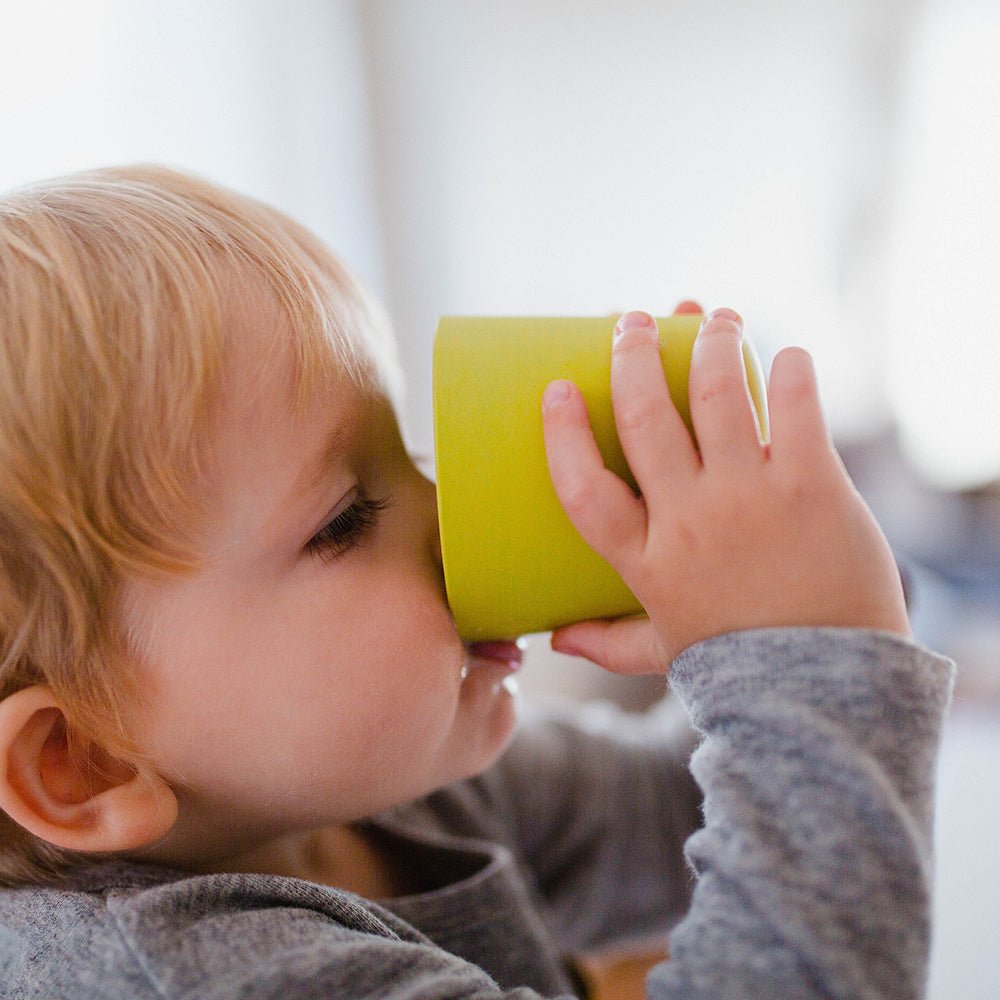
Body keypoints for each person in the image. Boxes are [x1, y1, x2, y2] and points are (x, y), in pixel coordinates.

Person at [0, 165, 953, 999]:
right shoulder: (186, 973)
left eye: (409, 450)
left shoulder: (373, 785)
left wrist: (771, 618)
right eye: (344, 519)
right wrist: (812, 667)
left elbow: (683, 811)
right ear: (81, 761)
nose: (450, 513)